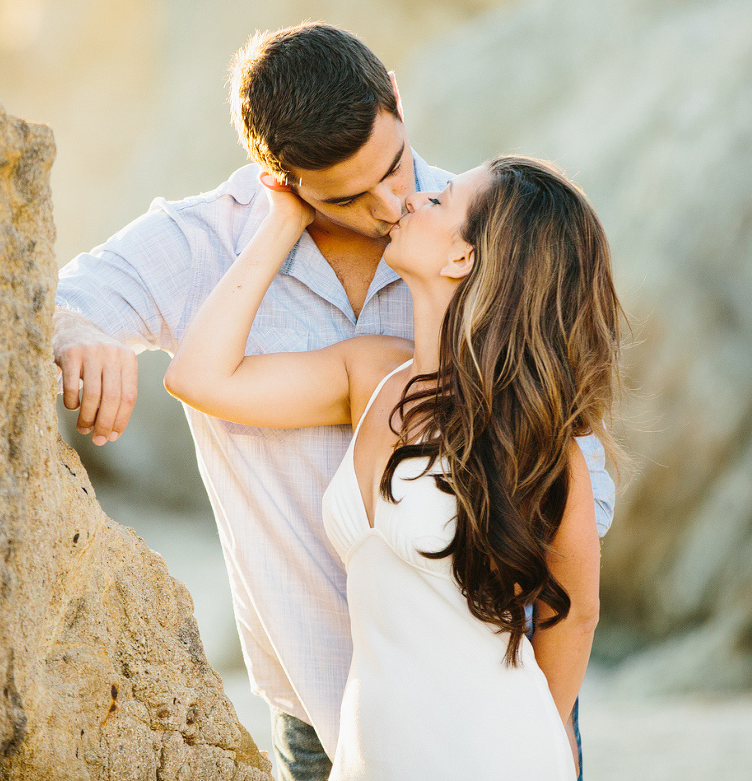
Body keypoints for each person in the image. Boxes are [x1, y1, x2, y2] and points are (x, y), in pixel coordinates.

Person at [53, 23, 616, 781]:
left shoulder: (476, 228)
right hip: (328, 716)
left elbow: (569, 564)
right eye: (349, 194)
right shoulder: (224, 259)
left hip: (496, 707)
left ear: (393, 94)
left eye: (397, 167)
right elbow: (63, 304)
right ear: (279, 176)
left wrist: (546, 737)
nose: (392, 202)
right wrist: (84, 334)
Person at [164, 155, 621, 779]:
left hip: (493, 755)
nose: (411, 200)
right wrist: (284, 220)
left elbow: (576, 612)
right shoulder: (374, 377)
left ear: (462, 258)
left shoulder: (533, 439)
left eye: (439, 201)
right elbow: (198, 376)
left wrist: (545, 735)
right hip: (371, 755)